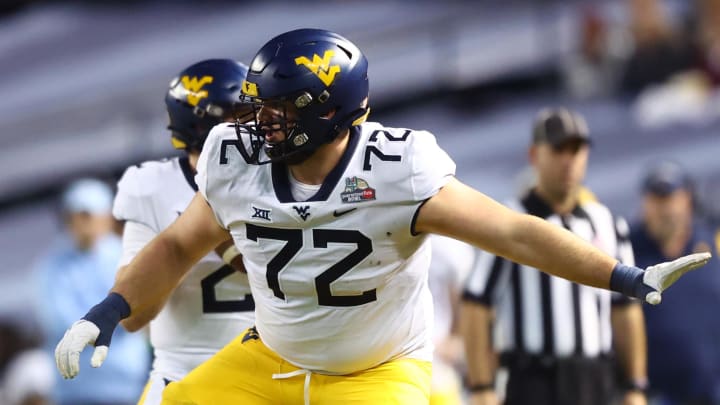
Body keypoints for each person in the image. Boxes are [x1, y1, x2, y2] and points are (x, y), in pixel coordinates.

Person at [54, 28, 710, 405]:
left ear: (332, 115)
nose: (259, 124)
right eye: (258, 108)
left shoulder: (397, 168)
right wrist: (106, 311)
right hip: (268, 359)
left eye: (279, 111)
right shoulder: (232, 155)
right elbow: (176, 246)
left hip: (376, 371)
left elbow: (514, 232)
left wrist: (623, 275)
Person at [460, 108, 648, 405]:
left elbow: (625, 310)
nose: (569, 160)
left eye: (577, 149)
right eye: (559, 149)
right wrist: (481, 386)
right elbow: (475, 306)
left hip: (595, 380)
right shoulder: (509, 222)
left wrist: (635, 384)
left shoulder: (607, 223)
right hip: (534, 380)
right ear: (535, 155)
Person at [112, 59, 255, 404]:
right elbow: (133, 318)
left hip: (278, 372)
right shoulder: (152, 187)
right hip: (186, 374)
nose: (255, 126)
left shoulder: (276, 174)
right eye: (239, 116)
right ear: (201, 125)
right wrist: (184, 245)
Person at [34, 178, 149, 404]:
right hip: (76, 387)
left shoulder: (129, 257)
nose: (82, 223)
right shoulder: (52, 266)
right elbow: (56, 319)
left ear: (106, 217)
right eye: (76, 216)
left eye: (88, 215)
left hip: (128, 383)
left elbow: (140, 310)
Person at [629, 161, 720, 405]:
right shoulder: (627, 253)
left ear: (687, 199)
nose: (665, 209)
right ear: (644, 204)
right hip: (658, 395)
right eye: (657, 199)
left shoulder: (713, 240)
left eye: (671, 197)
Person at [428, 235, 476, 404]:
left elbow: (465, 298)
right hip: (395, 352)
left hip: (436, 351)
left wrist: (455, 338)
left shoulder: (450, 245)